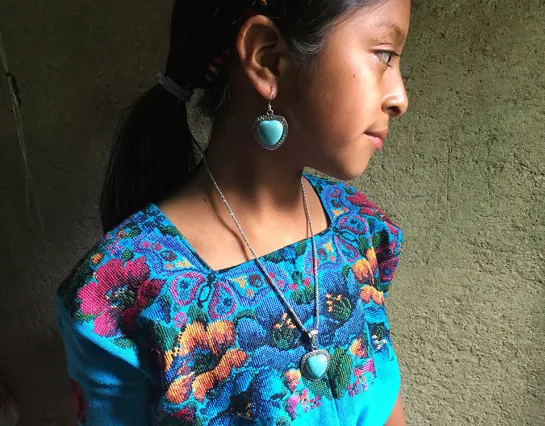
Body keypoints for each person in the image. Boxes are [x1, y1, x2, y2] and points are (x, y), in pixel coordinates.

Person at [56, 0, 410, 424]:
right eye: (384, 55)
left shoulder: (361, 230)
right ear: (267, 58)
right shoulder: (116, 297)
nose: (399, 98)